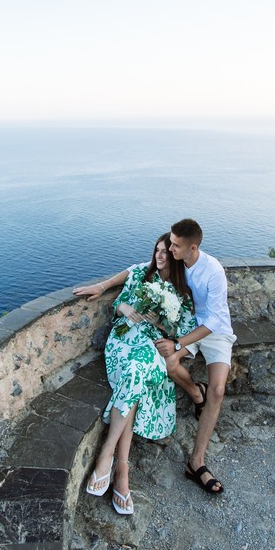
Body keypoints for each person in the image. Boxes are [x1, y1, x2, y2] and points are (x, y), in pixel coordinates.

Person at [72, 234, 196, 515]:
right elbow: (121, 284)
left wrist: (164, 326)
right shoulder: (142, 272)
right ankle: (121, 471)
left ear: (176, 255)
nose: (160, 256)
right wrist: (120, 304)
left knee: (137, 373)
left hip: (151, 344)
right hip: (124, 337)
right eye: (157, 250)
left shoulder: (182, 291)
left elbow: (185, 333)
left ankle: (109, 456)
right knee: (136, 375)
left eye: (166, 252)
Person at [154, 218, 236, 495]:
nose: (170, 249)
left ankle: (196, 462)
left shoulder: (213, 271)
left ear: (192, 247)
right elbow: (143, 269)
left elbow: (213, 321)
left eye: (176, 246)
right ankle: (195, 393)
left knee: (219, 389)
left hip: (215, 330)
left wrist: (178, 343)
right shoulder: (177, 261)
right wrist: (104, 286)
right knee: (168, 363)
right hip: (189, 326)